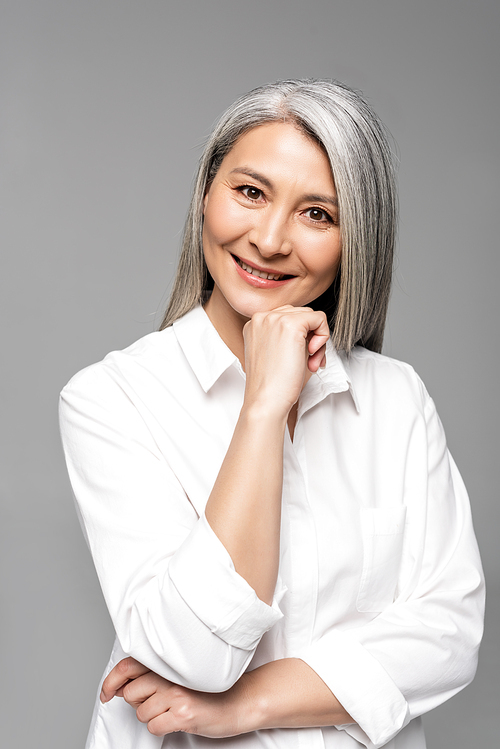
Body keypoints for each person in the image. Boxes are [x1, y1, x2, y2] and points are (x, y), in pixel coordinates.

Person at [59, 79, 484, 749]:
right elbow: (195, 652)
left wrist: (242, 705)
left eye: (318, 213)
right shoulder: (113, 397)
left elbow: (448, 635)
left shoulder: (397, 399)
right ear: (206, 194)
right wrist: (263, 407)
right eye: (249, 192)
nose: (270, 238)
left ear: (355, 241)